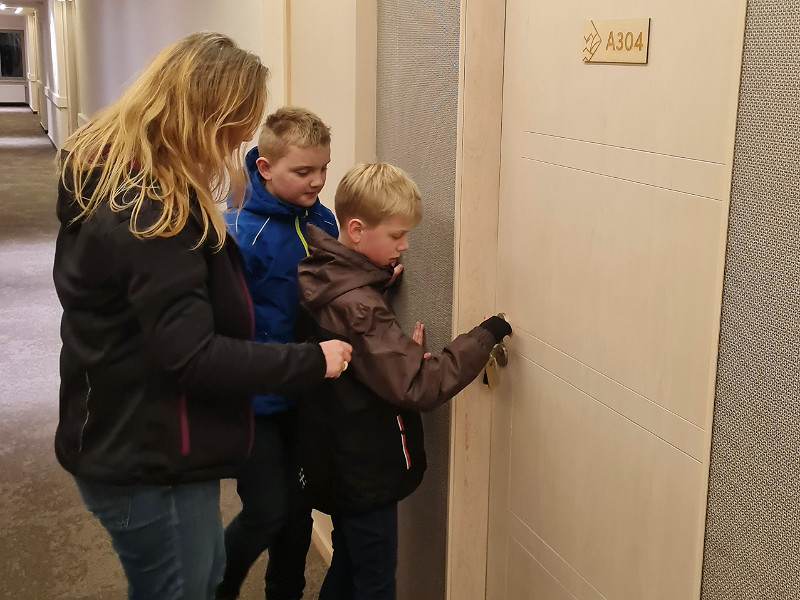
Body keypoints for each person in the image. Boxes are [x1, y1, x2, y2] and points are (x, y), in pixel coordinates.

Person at [52, 32, 351, 600]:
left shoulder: (122, 182)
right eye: (232, 131)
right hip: (145, 456)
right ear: (202, 118)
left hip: (136, 434)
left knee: (204, 571)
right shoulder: (149, 214)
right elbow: (191, 353)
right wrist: (312, 360)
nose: (231, 148)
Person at [294, 163, 512, 600]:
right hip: (364, 466)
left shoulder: (323, 271)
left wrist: (380, 294)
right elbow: (420, 386)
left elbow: (354, 329)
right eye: (396, 236)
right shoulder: (361, 307)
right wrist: (484, 335)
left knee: (350, 564)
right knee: (375, 583)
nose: (405, 245)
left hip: (334, 454)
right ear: (356, 230)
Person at [215, 106, 338, 600]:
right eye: (303, 172)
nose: (317, 181)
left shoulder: (322, 219)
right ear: (265, 169)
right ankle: (214, 586)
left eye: (324, 169)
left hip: (307, 394)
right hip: (256, 402)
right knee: (266, 510)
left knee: (297, 515)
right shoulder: (242, 233)